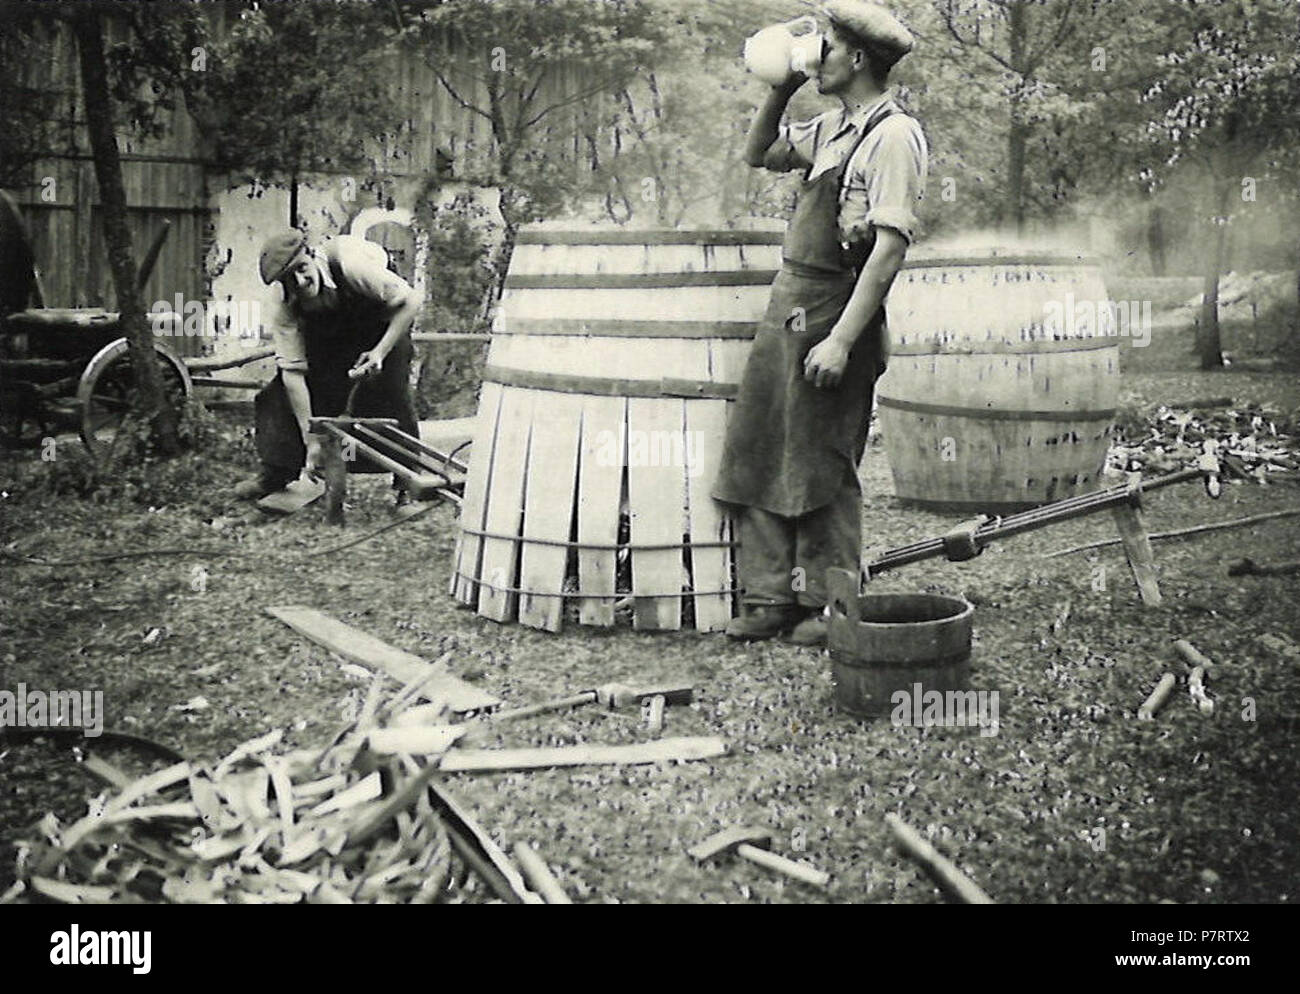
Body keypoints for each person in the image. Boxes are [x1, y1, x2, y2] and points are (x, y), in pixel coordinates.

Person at [712, 0, 928, 645]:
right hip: (791, 300)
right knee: (762, 443)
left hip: (838, 307)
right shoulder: (834, 126)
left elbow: (888, 249)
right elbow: (759, 153)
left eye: (825, 47)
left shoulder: (892, 136)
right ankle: (770, 596)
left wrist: (841, 340)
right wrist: (782, 87)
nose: (816, 55)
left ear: (857, 58)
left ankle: (827, 603)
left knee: (823, 460)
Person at [234, 230, 422, 502]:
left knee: (391, 388)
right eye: (288, 279)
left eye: (302, 269)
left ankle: (407, 481)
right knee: (280, 393)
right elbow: (293, 373)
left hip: (384, 321)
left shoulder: (351, 264)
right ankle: (277, 472)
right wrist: (311, 440)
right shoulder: (284, 305)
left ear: (311, 254)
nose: (299, 282)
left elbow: (412, 301)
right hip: (334, 329)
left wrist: (379, 352)